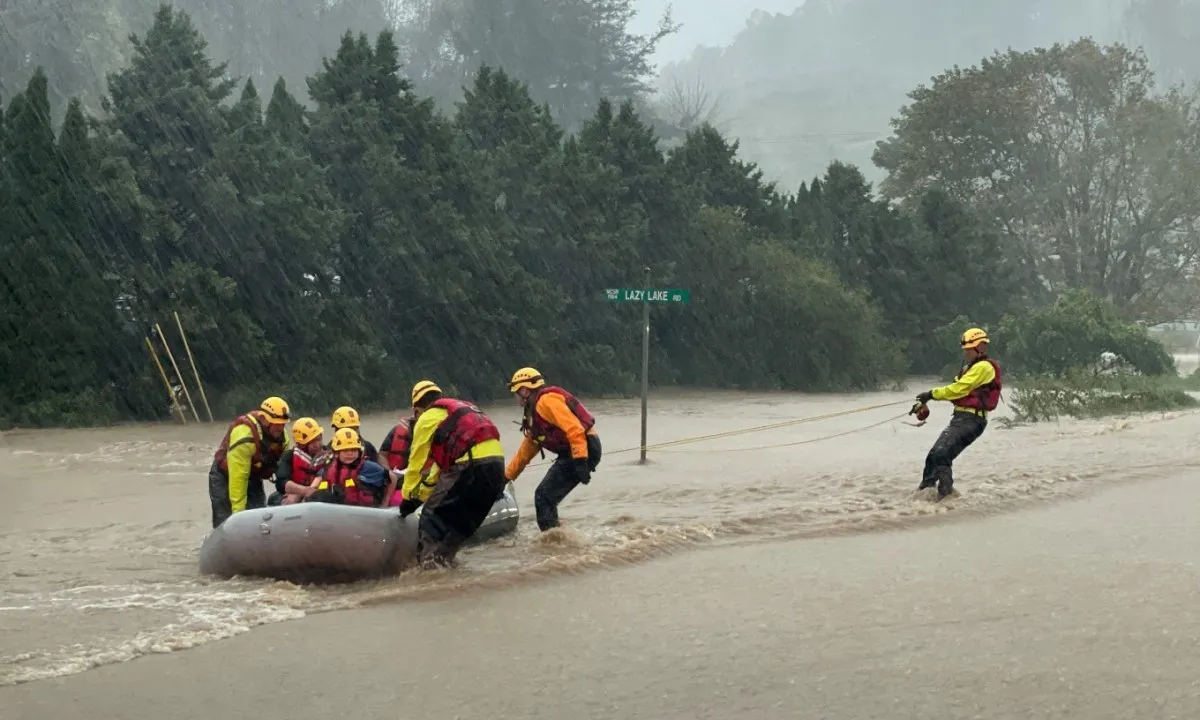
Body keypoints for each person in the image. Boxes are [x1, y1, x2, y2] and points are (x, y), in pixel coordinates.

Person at [399, 379, 507, 568]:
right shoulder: (460, 411)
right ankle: (446, 565)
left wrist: (408, 497)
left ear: (417, 408)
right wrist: (422, 495)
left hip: (470, 465)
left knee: (430, 518)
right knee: (461, 525)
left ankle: (429, 573)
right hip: (496, 469)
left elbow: (416, 462)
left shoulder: (427, 418)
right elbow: (439, 469)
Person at [504, 366, 601, 531]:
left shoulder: (546, 402)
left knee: (544, 497)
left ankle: (554, 542)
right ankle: (557, 536)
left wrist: (580, 461)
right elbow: (528, 449)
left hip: (583, 448)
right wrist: (507, 477)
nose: (516, 397)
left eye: (516, 392)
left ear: (525, 391)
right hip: (574, 451)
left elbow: (575, 429)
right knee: (546, 496)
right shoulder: (534, 412)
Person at [911, 327, 1002, 500]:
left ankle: (946, 496)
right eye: (965, 350)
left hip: (973, 420)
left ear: (980, 348)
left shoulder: (984, 367)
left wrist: (931, 394)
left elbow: (958, 389)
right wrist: (924, 403)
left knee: (941, 453)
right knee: (933, 457)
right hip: (961, 417)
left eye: (969, 349)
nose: (966, 353)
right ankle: (925, 495)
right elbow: (954, 391)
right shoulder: (970, 368)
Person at [208, 396, 290, 528]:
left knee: (258, 516)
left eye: (283, 424)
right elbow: (238, 479)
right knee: (226, 521)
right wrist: (238, 516)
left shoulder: (283, 439)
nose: (280, 428)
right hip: (225, 476)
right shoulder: (245, 437)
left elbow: (284, 468)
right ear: (264, 419)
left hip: (253, 474)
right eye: (277, 424)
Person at [308, 427, 398, 506]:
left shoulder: (367, 467)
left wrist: (385, 503)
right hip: (339, 511)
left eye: (354, 450)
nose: (350, 453)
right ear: (336, 453)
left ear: (360, 452)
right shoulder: (329, 467)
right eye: (345, 450)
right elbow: (316, 483)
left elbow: (392, 478)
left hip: (363, 512)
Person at [269, 417, 329, 505]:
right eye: (312, 442)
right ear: (302, 443)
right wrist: (304, 491)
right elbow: (281, 483)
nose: (317, 445)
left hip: (319, 492)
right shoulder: (289, 456)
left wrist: (312, 491)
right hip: (296, 492)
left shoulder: (328, 455)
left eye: (319, 439)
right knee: (291, 499)